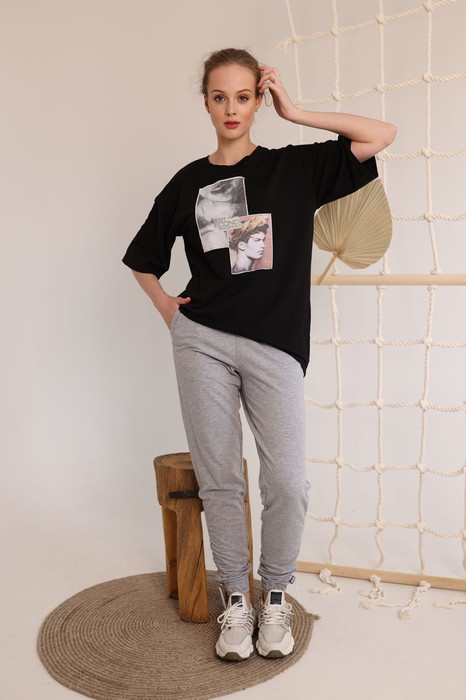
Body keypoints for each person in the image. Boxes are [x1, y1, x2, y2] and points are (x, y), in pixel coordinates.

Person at [122, 47, 396, 661]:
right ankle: (236, 600)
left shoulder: (295, 168)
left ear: (257, 101)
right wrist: (169, 310)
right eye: (220, 97)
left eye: (243, 97)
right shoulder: (188, 182)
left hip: (274, 345)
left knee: (287, 483)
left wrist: (295, 112)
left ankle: (273, 595)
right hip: (202, 341)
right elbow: (143, 258)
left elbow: (381, 133)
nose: (231, 108)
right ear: (205, 102)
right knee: (221, 481)